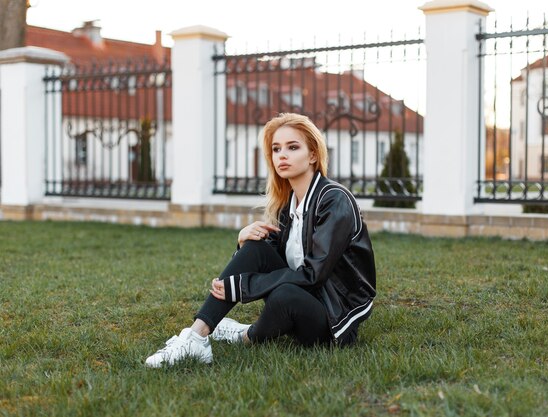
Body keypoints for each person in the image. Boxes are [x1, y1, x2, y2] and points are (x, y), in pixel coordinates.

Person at [145, 113, 377, 367]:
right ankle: (196, 336)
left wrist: (244, 287)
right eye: (276, 149)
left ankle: (244, 335)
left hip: (335, 318)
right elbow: (269, 255)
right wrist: (244, 242)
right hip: (306, 295)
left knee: (284, 295)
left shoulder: (334, 200)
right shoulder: (291, 202)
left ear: (313, 155)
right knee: (256, 248)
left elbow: (314, 274)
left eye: (293, 147)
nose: (282, 155)